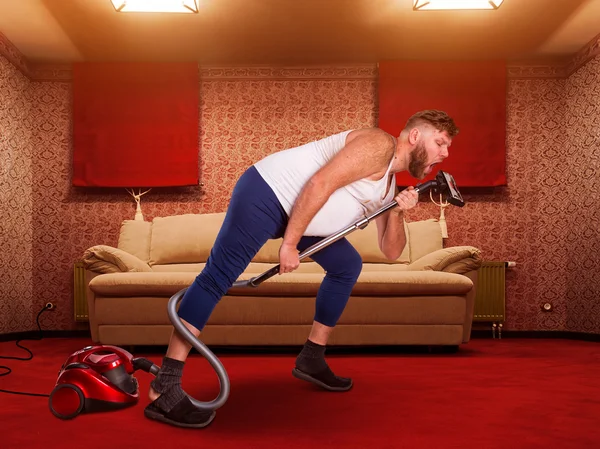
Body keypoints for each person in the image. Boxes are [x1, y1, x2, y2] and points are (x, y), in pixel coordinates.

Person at [144, 109, 459, 428]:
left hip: (301, 214)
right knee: (218, 278)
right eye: (441, 142)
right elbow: (320, 182)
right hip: (266, 193)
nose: (444, 153)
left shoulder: (389, 188)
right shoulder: (379, 145)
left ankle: (312, 357)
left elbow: (391, 252)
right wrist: (289, 245)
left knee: (347, 264)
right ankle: (164, 389)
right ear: (416, 136)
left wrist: (397, 212)